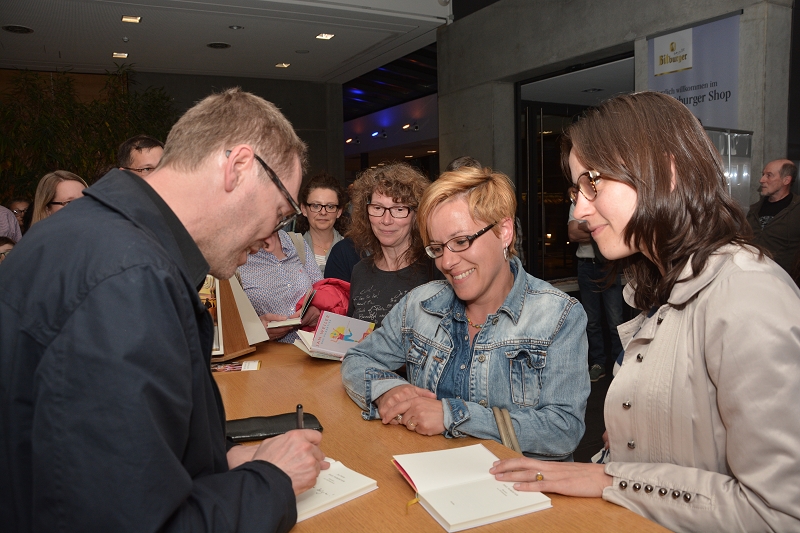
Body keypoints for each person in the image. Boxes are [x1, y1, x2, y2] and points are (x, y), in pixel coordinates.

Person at [0, 88, 328, 532]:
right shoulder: (130, 280)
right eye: (281, 211)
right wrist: (271, 480)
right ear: (239, 167)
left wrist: (221, 460)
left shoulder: (89, 236)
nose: (275, 232)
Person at [490, 92, 800, 532]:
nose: (579, 209)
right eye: (577, 189)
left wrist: (613, 478)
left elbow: (780, 514)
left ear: (666, 172)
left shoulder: (747, 293)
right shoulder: (659, 282)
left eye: (592, 183)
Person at [341, 166, 589, 459]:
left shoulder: (558, 315)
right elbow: (358, 358)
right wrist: (386, 390)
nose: (447, 262)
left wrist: (453, 415)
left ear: (504, 231)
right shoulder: (419, 305)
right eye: (437, 248)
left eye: (461, 242)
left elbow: (563, 430)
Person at [345, 162, 435, 328]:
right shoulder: (360, 271)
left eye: (399, 209)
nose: (386, 220)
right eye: (378, 208)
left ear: (416, 215)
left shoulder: (434, 270)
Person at [568, 203, 624, 382]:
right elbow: (572, 234)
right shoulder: (577, 205)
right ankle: (598, 364)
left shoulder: (604, 203)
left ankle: (619, 364)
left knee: (616, 321)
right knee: (591, 321)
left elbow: (616, 232)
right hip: (586, 266)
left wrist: (585, 227)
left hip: (608, 265)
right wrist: (599, 231)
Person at [239, 230, 322, 343]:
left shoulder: (296, 242)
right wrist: (254, 331)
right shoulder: (236, 254)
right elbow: (223, 323)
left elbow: (322, 289)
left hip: (309, 352)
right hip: (266, 355)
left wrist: (316, 310)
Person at [746, 159, 800, 273]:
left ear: (786, 180)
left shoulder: (796, 210)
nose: (762, 180)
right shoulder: (754, 209)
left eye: (769, 175)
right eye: (763, 175)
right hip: (752, 275)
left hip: (784, 281)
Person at [294, 173, 346, 275]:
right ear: (304, 209)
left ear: (339, 211)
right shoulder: (292, 250)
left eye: (330, 206)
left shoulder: (351, 251)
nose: (323, 212)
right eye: (316, 206)